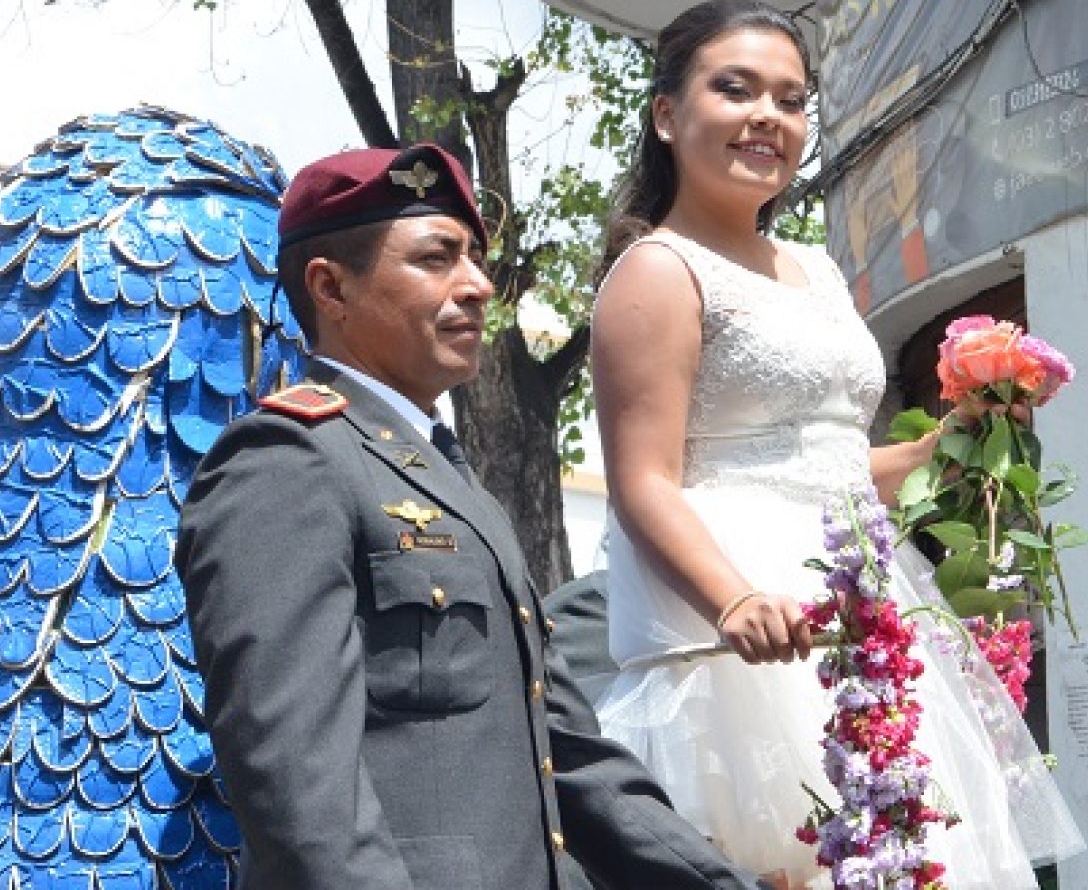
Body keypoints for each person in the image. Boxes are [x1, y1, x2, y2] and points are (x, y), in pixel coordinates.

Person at [588, 0, 1085, 890]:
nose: (765, 118)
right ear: (666, 114)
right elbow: (643, 481)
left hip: (862, 612)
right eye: (734, 89)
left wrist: (957, 439)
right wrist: (735, 602)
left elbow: (832, 465)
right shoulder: (658, 270)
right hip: (745, 646)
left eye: (789, 98)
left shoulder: (813, 267)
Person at [177, 142, 766, 890]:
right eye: (436, 259)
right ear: (330, 288)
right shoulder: (287, 463)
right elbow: (296, 785)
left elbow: (568, 752)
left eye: (476, 260)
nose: (479, 286)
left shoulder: (451, 482)